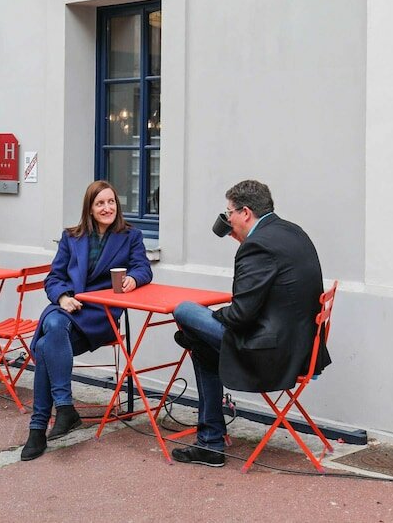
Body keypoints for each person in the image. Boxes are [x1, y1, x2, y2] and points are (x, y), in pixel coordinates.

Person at [170, 179, 330, 467]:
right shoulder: (292, 231)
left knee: (185, 311)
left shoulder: (256, 246)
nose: (227, 219)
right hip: (302, 346)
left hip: (271, 355)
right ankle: (210, 440)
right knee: (202, 346)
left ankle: (211, 442)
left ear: (245, 213)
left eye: (229, 212)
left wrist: (215, 315)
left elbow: (241, 316)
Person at [21, 180, 153, 461]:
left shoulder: (131, 236)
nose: (107, 208)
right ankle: (61, 410)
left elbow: (143, 268)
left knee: (46, 345)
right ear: (90, 209)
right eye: (100, 203)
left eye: (111, 202)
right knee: (54, 326)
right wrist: (63, 297)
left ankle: (40, 426)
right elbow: (53, 279)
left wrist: (133, 278)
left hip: (101, 313)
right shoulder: (72, 237)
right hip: (71, 307)